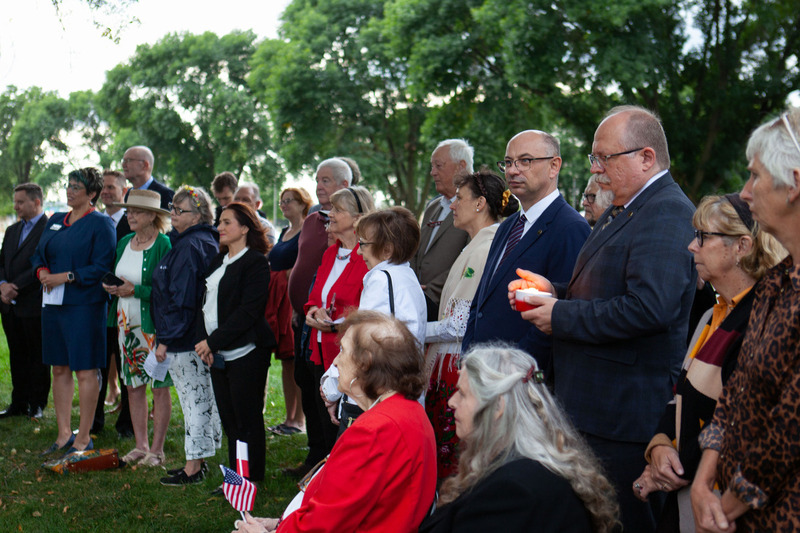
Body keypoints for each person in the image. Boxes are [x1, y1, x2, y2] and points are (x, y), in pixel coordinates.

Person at [512, 106, 697, 532]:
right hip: (593, 408)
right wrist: (552, 292)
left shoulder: (666, 211)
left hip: (622, 417)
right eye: (594, 159)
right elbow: (606, 290)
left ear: (646, 157)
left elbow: (650, 308)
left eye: (605, 158)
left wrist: (560, 315)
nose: (596, 170)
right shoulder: (625, 207)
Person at [631, 194, 784, 532]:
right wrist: (658, 447)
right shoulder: (710, 316)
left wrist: (670, 471)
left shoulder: (762, 323)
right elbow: (680, 396)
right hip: (686, 502)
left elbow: (740, 425)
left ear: (742, 246)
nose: (690, 246)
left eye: (702, 236)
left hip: (720, 508)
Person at [691, 108, 800, 532]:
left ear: (794, 184)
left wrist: (726, 503)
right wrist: (704, 481)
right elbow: (735, 395)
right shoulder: (775, 283)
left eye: (755, 176)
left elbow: (790, 425)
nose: (746, 192)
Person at [232, 311, 437, 533]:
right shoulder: (410, 411)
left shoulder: (374, 430)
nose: (336, 360)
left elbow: (324, 525)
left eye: (343, 350)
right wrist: (279, 524)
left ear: (365, 364)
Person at [420, 344, 619, 532]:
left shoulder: (512, 491)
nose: (451, 402)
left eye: (462, 394)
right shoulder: (520, 470)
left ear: (498, 407)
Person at [462, 129, 590, 380]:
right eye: (508, 162)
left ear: (554, 166)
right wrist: (469, 355)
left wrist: (512, 371)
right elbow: (481, 301)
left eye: (525, 161)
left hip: (519, 383)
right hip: (482, 374)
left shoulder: (570, 228)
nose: (512, 170)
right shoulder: (507, 227)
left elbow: (560, 314)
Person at [424, 170, 519, 478]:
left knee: (452, 460)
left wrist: (412, 329)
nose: (452, 205)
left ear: (480, 204)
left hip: (457, 365)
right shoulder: (477, 243)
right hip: (450, 362)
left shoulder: (486, 246)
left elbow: (459, 324)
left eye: (459, 199)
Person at [32, 168, 116, 455]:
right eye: (68, 185)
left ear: (91, 193)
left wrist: (66, 276)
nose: (69, 190)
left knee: (85, 369)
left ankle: (84, 437)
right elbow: (39, 254)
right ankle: (63, 433)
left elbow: (102, 266)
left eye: (76, 187)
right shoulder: (56, 220)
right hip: (54, 306)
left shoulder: (101, 224)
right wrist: (42, 271)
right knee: (59, 368)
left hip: (85, 306)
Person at [321, 207, 426, 432]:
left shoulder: (381, 278)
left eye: (363, 245)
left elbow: (361, 341)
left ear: (387, 250)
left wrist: (331, 387)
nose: (359, 252)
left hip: (374, 396)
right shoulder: (406, 276)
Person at [195, 203, 276, 483]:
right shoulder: (219, 260)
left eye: (227, 222)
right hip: (217, 353)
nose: (219, 228)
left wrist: (212, 342)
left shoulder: (255, 262)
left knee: (247, 420)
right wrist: (203, 342)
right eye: (219, 222)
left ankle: (252, 478)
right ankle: (235, 480)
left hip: (247, 352)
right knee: (230, 421)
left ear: (244, 228)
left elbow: (248, 311)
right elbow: (202, 303)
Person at [285, 157, 354, 478]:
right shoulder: (313, 219)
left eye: (326, 180)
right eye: (317, 179)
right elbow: (309, 271)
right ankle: (315, 455)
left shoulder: (360, 244)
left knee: (332, 395)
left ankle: (331, 461)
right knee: (308, 384)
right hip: (307, 324)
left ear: (344, 185)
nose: (318, 186)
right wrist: (307, 309)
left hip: (337, 334)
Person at [152, 185, 222, 486]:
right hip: (195, 335)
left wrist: (165, 339)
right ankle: (199, 459)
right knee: (201, 399)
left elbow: (182, 299)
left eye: (179, 211)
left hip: (185, 339)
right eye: (172, 209)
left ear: (198, 215)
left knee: (194, 401)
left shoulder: (190, 246)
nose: (172, 215)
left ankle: (193, 467)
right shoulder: (196, 241)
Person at [103, 190, 173, 467]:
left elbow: (169, 290)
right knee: (132, 386)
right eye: (129, 211)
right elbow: (120, 276)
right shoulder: (123, 241)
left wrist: (137, 290)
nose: (130, 215)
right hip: (126, 326)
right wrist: (113, 287)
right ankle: (140, 445)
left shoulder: (163, 244)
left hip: (153, 328)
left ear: (153, 216)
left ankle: (157, 449)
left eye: (137, 211)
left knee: (159, 387)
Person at [304, 186, 374, 455]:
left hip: (345, 354)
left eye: (337, 210)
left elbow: (366, 308)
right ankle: (319, 468)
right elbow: (313, 297)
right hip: (318, 346)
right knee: (322, 416)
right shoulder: (330, 253)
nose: (329, 215)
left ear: (357, 218)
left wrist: (336, 323)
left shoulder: (366, 256)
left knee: (341, 423)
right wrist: (313, 312)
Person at [0, 183, 49, 420]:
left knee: (37, 356)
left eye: (20, 202)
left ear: (36, 202)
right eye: (15, 201)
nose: (16, 206)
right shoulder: (11, 231)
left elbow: (41, 264)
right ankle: (17, 403)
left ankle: (37, 404)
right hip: (9, 306)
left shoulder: (50, 228)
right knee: (16, 354)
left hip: (33, 302)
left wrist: (15, 287)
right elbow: (2, 262)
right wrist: (2, 285)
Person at [268, 187, 313, 437]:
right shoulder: (285, 232)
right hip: (277, 298)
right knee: (286, 360)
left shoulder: (307, 229)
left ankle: (300, 419)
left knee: (296, 358)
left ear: (302, 203)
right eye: (281, 201)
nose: (284, 205)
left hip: (292, 300)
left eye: (289, 201)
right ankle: (289, 417)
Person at [411, 139, 472, 320]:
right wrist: (412, 284)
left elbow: (470, 261)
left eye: (438, 166)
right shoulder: (433, 206)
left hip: (448, 307)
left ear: (461, 166)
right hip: (418, 300)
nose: (432, 172)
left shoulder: (478, 206)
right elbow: (417, 250)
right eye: (432, 166)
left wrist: (428, 292)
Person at [94, 169, 129, 436]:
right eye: (103, 188)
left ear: (123, 191)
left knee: (127, 365)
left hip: (125, 306)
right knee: (98, 366)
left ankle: (127, 423)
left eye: (111, 188)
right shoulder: (94, 221)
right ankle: (94, 422)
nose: (106, 192)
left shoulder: (132, 222)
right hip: (96, 306)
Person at [121, 145, 174, 209]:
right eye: (123, 161)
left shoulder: (165, 194)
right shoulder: (127, 195)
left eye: (128, 160)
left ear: (145, 165)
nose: (123, 165)